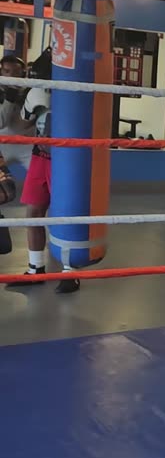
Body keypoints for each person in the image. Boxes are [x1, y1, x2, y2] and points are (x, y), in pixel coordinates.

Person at [11, 52, 77, 293]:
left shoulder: (76, 89)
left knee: (66, 215)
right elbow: (23, 125)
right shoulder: (38, 91)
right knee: (34, 212)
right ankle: (35, 268)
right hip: (40, 155)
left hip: (67, 159)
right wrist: (28, 103)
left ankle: (70, 272)